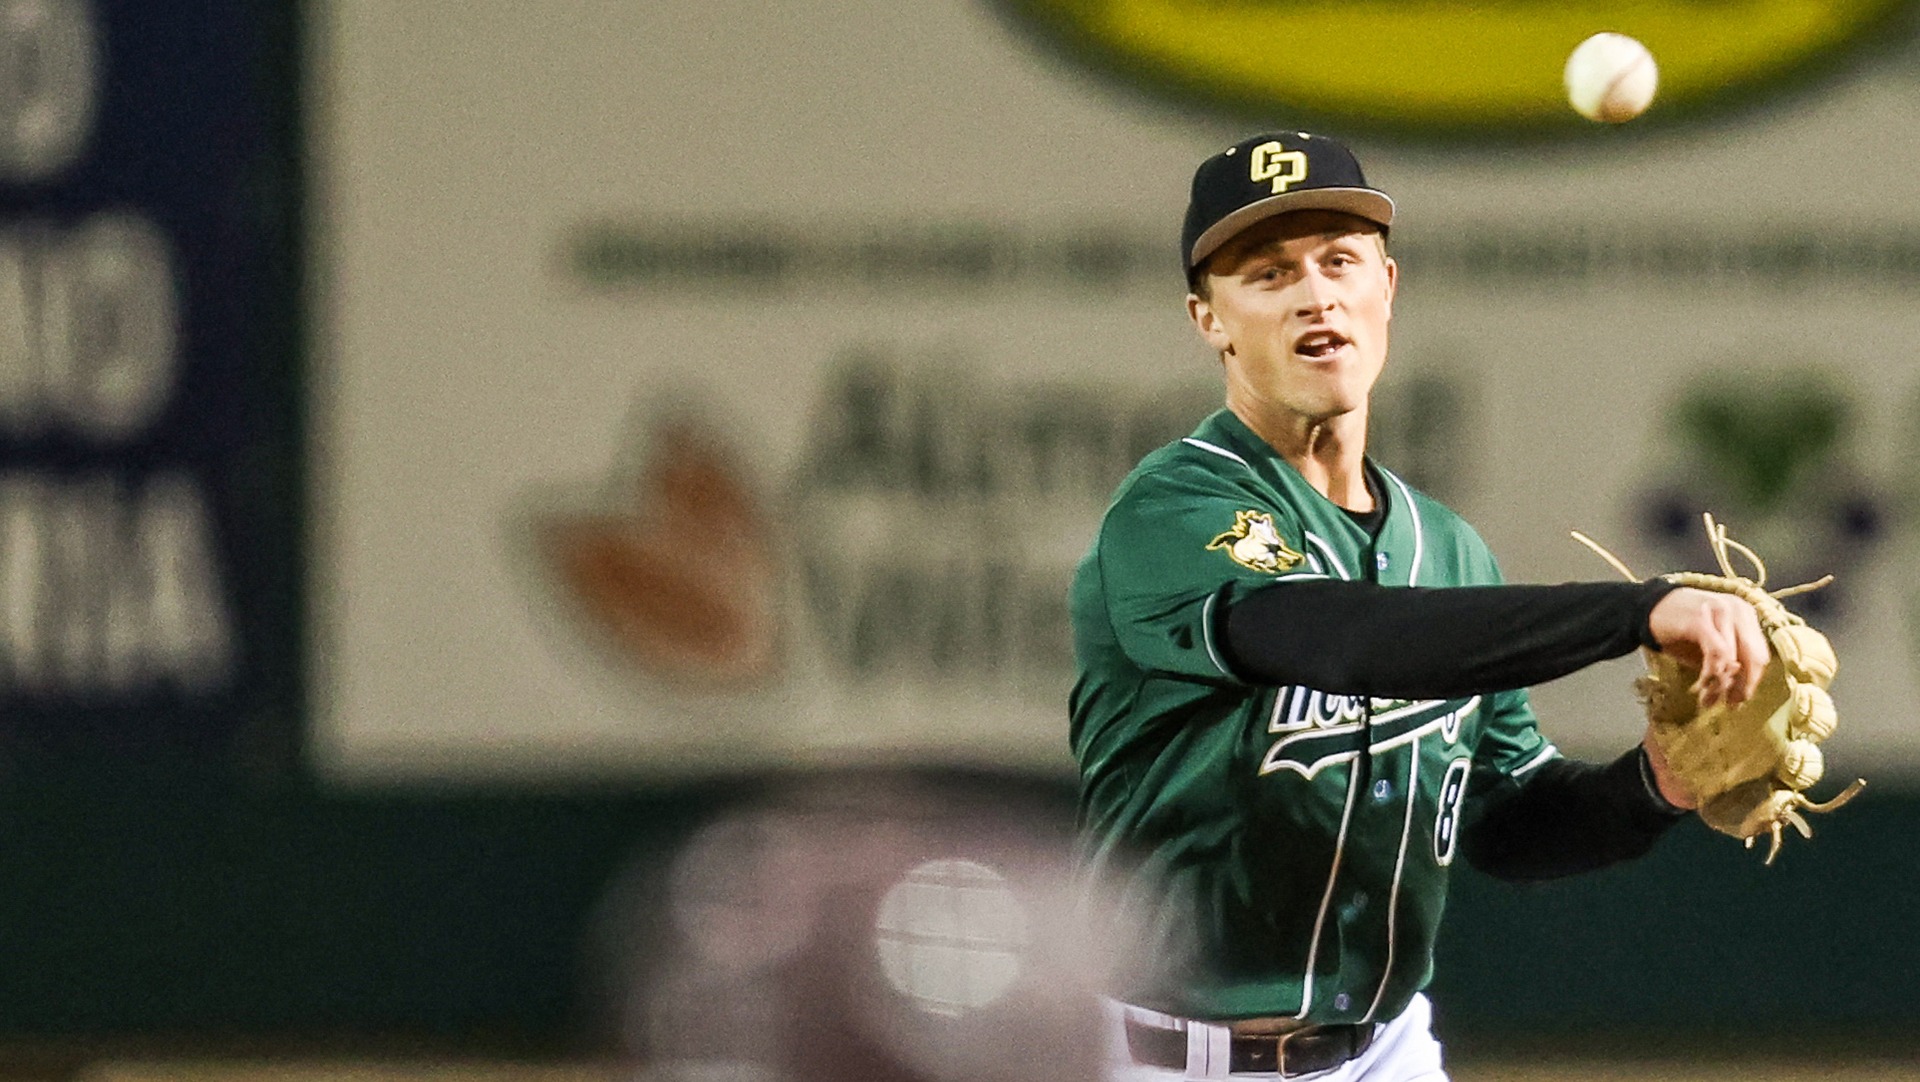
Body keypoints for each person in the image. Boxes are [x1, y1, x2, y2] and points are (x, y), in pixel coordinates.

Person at [1068, 132, 1772, 1082]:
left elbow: (1506, 821)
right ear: (1210, 320)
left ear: (1386, 288)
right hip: (1162, 1059)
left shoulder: (1447, 549)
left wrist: (1655, 785)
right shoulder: (1172, 510)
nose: (1315, 295)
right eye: (1269, 273)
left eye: (1339, 261)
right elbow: (1344, 638)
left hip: (1385, 1052)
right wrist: (1635, 610)